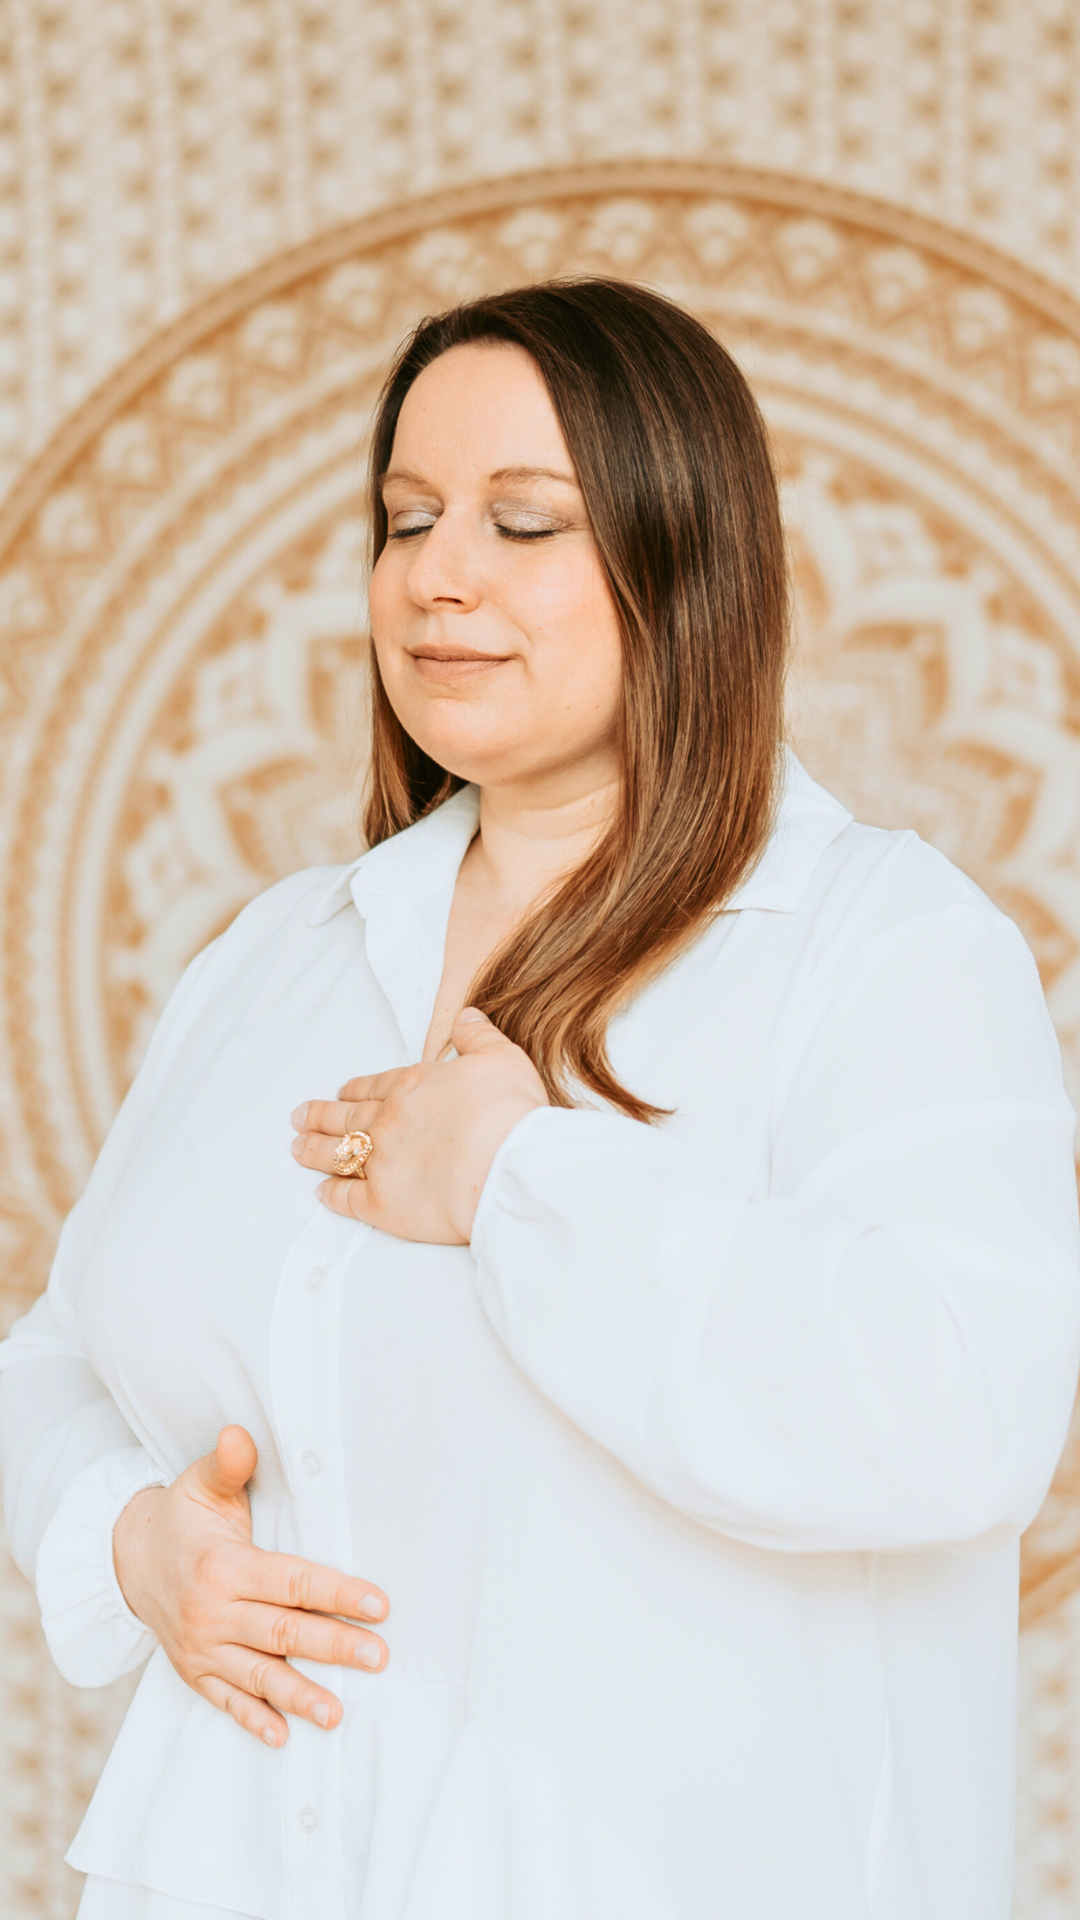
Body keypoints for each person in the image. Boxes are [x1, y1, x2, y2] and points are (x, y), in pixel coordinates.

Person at [1, 277, 1077, 1920]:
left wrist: (517, 1184)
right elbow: (57, 1357)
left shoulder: (883, 944)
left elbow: (958, 1418)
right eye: (409, 516)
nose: (437, 575)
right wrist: (129, 1540)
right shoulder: (271, 958)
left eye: (523, 524)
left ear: (685, 554)